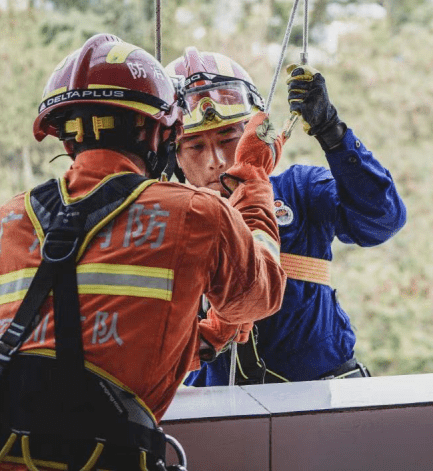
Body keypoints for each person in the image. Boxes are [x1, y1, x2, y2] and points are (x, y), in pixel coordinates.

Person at [0, 34, 286, 471]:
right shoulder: (194, 213)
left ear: (65, 138)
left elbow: (83, 350)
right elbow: (260, 296)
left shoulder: (8, 221)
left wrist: (211, 335)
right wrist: (253, 178)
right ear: (156, 132)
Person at [166, 48, 406, 383]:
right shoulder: (160, 219)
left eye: (228, 138)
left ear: (254, 133)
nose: (216, 161)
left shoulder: (300, 189)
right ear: (172, 156)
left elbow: (382, 222)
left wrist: (333, 134)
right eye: (195, 147)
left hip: (317, 399)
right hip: (215, 405)